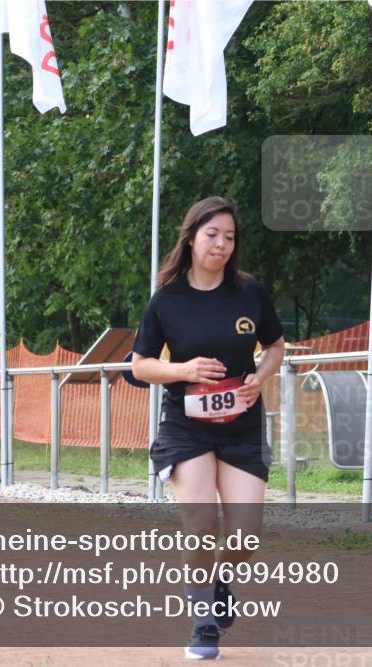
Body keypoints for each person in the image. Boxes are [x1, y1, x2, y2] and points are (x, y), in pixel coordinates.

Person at [131, 196, 285, 660]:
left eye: (230, 237)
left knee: (245, 537)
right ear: (192, 237)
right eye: (212, 234)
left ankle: (215, 579)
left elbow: (276, 345)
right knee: (201, 525)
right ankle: (203, 620)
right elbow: (139, 366)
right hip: (186, 427)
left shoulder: (249, 292)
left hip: (241, 426)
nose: (221, 244)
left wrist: (260, 376)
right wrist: (183, 370)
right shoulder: (167, 299)